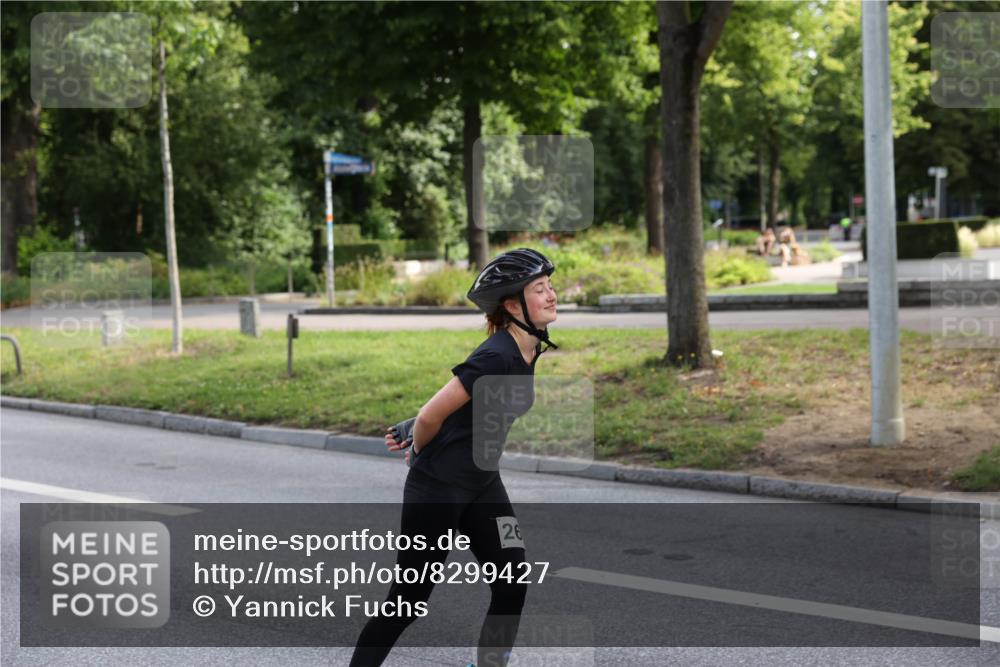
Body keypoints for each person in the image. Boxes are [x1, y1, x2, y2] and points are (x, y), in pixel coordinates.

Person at [349, 248, 559, 667]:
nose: (552, 295)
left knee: (511, 583)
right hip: (438, 489)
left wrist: (412, 426)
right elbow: (432, 414)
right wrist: (419, 448)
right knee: (408, 601)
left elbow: (471, 407)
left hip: (482, 483)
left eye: (551, 286)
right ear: (512, 304)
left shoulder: (530, 348)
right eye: (541, 289)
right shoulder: (496, 355)